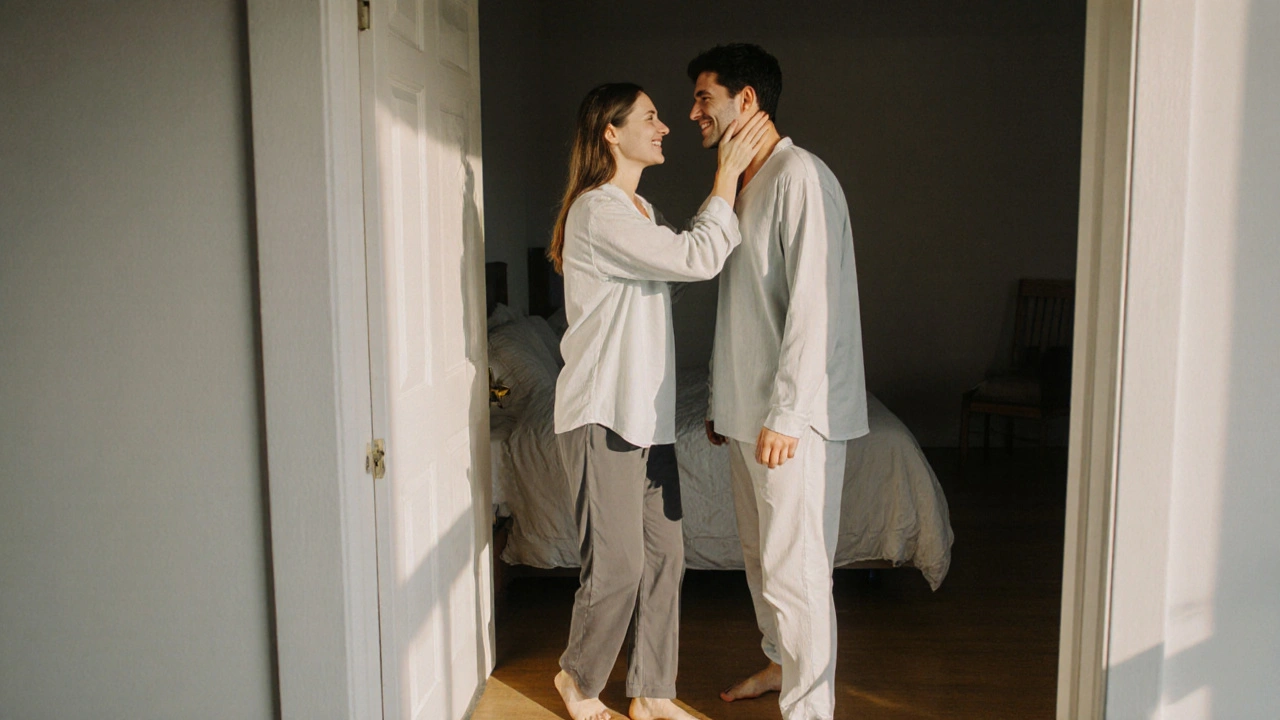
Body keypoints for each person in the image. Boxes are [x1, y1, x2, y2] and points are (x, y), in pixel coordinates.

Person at [548, 82, 768, 720]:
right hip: (603, 412)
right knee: (616, 566)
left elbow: (674, 272)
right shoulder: (599, 210)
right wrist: (726, 173)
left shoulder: (642, 212)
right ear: (610, 132)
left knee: (665, 558)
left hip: (646, 420)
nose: (666, 126)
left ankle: (651, 692)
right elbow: (698, 258)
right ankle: (577, 680)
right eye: (650, 117)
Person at [689, 44, 870, 720]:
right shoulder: (742, 183)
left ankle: (809, 710)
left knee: (797, 575)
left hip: (793, 420)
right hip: (744, 411)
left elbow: (813, 305)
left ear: (748, 101)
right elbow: (738, 305)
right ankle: (779, 662)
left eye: (704, 97)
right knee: (761, 561)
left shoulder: (801, 176)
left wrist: (788, 414)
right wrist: (720, 398)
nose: (693, 112)